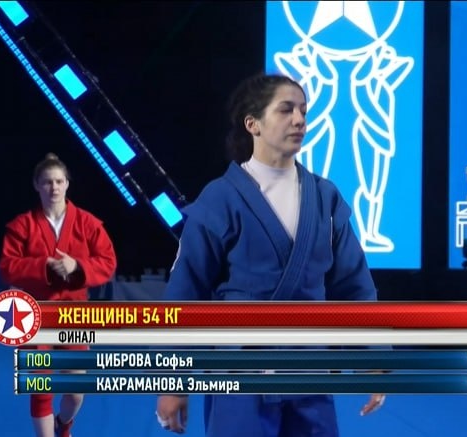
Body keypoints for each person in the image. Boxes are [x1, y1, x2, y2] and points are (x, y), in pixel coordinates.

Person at [155, 74, 385, 436]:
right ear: (253, 124)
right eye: (286, 110)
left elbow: (354, 285)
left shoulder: (325, 197)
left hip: (308, 376)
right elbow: (186, 292)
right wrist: (173, 379)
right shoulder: (220, 198)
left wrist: (372, 358)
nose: (299, 120)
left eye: (304, 111)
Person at [0, 153, 117, 437]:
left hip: (74, 314)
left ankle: (63, 424)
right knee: (41, 388)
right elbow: (8, 266)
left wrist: (78, 266)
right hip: (34, 314)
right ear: (36, 185)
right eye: (47, 182)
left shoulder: (88, 223)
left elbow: (108, 262)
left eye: (59, 181)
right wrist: (44, 267)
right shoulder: (21, 225)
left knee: (76, 391)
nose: (54, 187)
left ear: (67, 184)